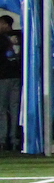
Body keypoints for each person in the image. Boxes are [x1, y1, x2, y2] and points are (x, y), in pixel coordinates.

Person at [0, 16, 19, 152]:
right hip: (15, 76)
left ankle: (3, 140)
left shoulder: (4, 39)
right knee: (13, 108)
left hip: (4, 77)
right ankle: (13, 139)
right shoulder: (15, 38)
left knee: (3, 109)